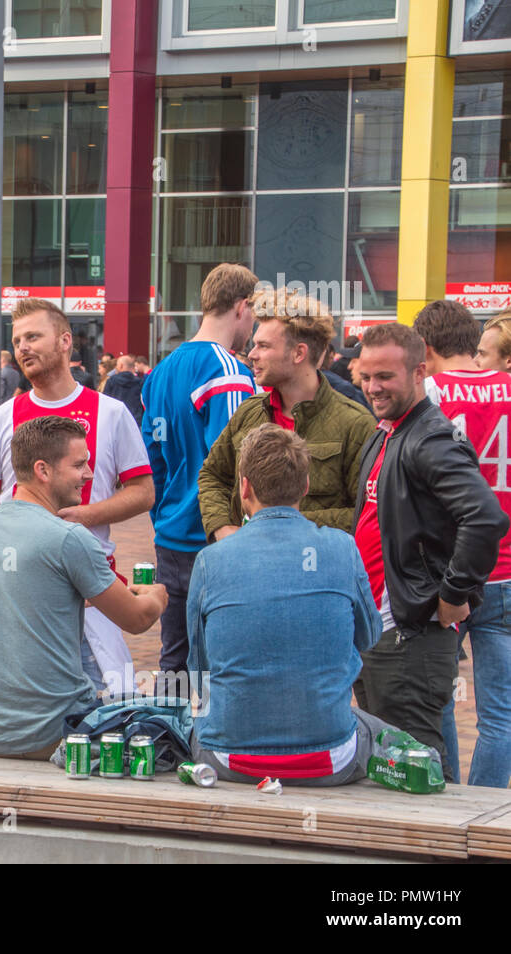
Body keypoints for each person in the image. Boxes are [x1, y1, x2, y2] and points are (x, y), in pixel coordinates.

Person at [0, 297, 154, 695]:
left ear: (66, 341)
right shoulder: (1, 419)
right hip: (22, 604)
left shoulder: (111, 413)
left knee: (107, 714)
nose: (23, 348)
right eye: (17, 340)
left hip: (93, 600)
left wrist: (84, 516)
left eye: (33, 336)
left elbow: (143, 492)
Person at [188, 425, 387, 785]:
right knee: (379, 731)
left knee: (184, 717)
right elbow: (369, 634)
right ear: (305, 486)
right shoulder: (342, 547)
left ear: (244, 487)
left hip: (229, 756)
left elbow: (199, 665)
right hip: (330, 755)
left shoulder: (210, 560)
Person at [352, 321, 507, 779]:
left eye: (386, 377)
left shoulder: (430, 437)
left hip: (409, 633)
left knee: (415, 769)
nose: (373, 387)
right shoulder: (389, 430)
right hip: (381, 627)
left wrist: (453, 595)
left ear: (420, 372)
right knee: (399, 762)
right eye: (366, 375)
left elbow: (485, 517)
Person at [0, 416, 167, 758]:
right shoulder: (68, 538)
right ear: (43, 470)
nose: (88, 475)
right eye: (79, 465)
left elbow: (24, 589)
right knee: (167, 721)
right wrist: (157, 596)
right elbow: (137, 620)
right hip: (54, 732)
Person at [141, 262, 258, 679]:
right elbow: (237, 462)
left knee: (175, 664)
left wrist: (163, 518)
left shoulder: (160, 372)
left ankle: (171, 742)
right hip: (215, 539)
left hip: (170, 536)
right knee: (223, 666)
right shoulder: (227, 370)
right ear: (242, 306)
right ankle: (213, 746)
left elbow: (152, 460)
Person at [415, 300, 511, 788]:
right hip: (508, 568)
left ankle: (447, 800)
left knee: (439, 701)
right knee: (501, 714)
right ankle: (486, 809)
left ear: (425, 348)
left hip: (446, 571)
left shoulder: (426, 392)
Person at [198, 286, 375, 540]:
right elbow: (212, 476)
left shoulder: (355, 424)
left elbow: (366, 513)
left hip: (316, 574)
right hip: (250, 569)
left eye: (264, 346)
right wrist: (223, 529)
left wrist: (279, 524)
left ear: (299, 353)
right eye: (254, 345)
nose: (252, 354)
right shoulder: (249, 412)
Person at [101, 355, 145, 426]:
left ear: (121, 366)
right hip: (135, 420)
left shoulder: (111, 381)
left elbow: (105, 401)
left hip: (116, 420)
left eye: (117, 365)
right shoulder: (140, 382)